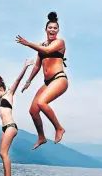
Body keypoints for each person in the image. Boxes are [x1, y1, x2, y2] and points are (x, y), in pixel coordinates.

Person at [16, 11, 68, 149]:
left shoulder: (59, 42)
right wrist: (28, 81)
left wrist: (28, 43)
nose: (52, 30)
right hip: (47, 83)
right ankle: (41, 137)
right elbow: (38, 65)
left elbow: (47, 51)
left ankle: (59, 128)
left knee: (41, 102)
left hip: (59, 79)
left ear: (58, 30)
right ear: (46, 30)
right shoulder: (42, 45)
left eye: (55, 28)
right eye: (50, 28)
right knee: (33, 110)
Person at [0, 59, 34, 176]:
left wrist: (25, 67)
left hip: (11, 127)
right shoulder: (0, 99)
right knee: (1, 153)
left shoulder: (9, 94)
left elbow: (17, 80)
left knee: (4, 153)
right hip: (5, 128)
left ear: (2, 89)